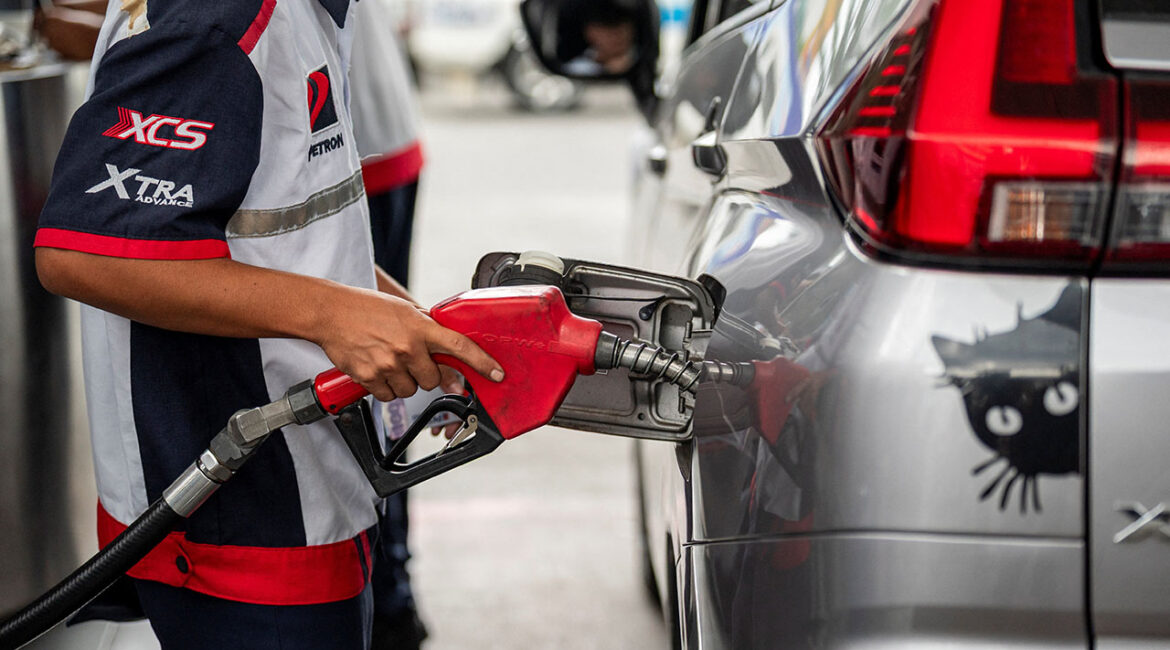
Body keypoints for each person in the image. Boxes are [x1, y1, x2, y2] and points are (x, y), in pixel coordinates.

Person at [32, 0, 503, 647]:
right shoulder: (222, 17)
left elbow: (283, 226)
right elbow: (83, 252)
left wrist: (405, 321)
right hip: (243, 522)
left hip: (311, 486)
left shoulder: (309, 13)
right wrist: (335, 314)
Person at [348, 2, 430, 647]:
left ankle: (387, 598)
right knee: (378, 378)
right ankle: (390, 595)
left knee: (375, 381)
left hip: (341, 153)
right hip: (368, 130)